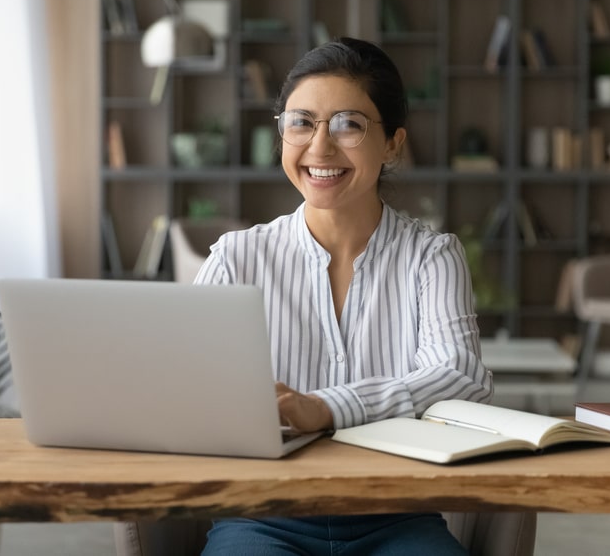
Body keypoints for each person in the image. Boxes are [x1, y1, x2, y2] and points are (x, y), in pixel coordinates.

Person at [194, 37, 492, 555]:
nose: (320, 147)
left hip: (399, 519)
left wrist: (325, 408)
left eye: (348, 124)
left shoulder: (432, 257)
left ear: (393, 143)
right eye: (301, 122)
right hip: (261, 518)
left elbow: (459, 377)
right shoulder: (236, 259)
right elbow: (187, 387)